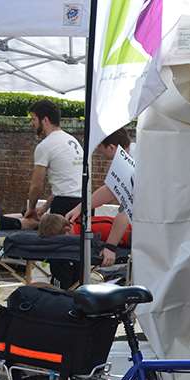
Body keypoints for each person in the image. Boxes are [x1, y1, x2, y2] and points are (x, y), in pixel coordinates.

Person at [66, 128, 135, 267]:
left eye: (100, 150)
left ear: (111, 147)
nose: (100, 154)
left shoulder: (129, 164)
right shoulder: (129, 154)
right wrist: (81, 207)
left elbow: (126, 208)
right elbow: (110, 189)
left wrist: (110, 247)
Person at [25, 99, 83, 223]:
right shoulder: (72, 141)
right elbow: (67, 185)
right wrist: (45, 207)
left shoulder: (45, 146)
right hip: (85, 204)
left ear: (45, 120)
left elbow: (36, 186)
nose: (32, 123)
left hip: (64, 205)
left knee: (56, 241)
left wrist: (31, 209)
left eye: (34, 119)